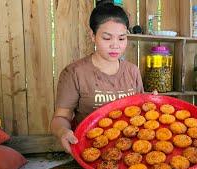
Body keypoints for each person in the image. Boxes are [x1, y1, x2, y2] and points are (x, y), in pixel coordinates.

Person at [51, 2, 144, 154]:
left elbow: (140, 112)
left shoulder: (132, 71)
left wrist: (153, 103)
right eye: (107, 38)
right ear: (93, 36)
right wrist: (63, 132)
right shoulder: (74, 73)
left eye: (121, 39)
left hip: (130, 148)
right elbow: (61, 117)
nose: (115, 45)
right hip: (92, 149)